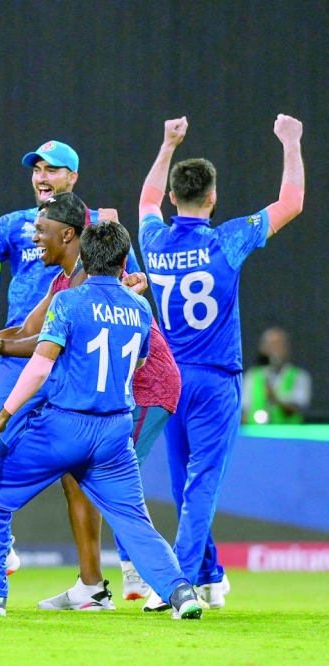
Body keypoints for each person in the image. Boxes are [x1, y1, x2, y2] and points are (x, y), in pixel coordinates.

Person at [0, 221, 203, 620]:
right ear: (124, 261)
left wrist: (3, 415)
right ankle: (181, 593)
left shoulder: (68, 302)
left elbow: (39, 367)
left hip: (64, 427)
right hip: (114, 433)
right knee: (133, 520)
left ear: (85, 259)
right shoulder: (140, 307)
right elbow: (139, 363)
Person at [138, 114, 304, 610]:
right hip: (214, 380)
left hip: (168, 382)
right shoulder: (226, 240)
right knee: (202, 484)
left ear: (174, 198)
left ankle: (208, 576)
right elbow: (291, 202)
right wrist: (291, 142)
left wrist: (167, 144)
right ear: (212, 199)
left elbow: (145, 200)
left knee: (183, 480)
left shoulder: (154, 240)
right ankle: (182, 581)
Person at [0, 140, 141, 423]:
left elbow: (133, 283)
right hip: (20, 354)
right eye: (37, 170)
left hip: (75, 358)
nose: (41, 177)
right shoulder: (12, 224)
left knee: (66, 452)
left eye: (52, 170)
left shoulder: (101, 227)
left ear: (73, 177)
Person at [242, 327, 310, 424]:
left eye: (279, 345)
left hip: (289, 436)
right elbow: (244, 411)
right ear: (262, 349)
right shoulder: (252, 376)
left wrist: (275, 397)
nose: (275, 350)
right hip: (257, 436)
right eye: (271, 345)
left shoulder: (299, 376)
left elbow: (297, 409)